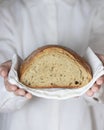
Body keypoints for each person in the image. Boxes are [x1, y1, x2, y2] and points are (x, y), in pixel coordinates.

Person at [0, 0, 104, 130]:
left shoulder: (97, 8)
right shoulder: (6, 13)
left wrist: (98, 77)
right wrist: (9, 84)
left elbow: (99, 69)